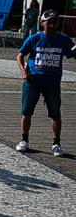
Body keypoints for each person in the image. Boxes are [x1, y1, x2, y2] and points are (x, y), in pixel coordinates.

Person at [16, 9, 76, 157]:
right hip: (33, 80)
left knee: (55, 113)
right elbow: (20, 55)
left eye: (55, 22)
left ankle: (56, 143)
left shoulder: (64, 39)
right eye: (49, 22)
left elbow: (74, 54)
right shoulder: (34, 38)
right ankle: (24, 139)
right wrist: (24, 71)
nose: (52, 25)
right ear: (42, 23)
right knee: (27, 111)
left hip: (53, 82)